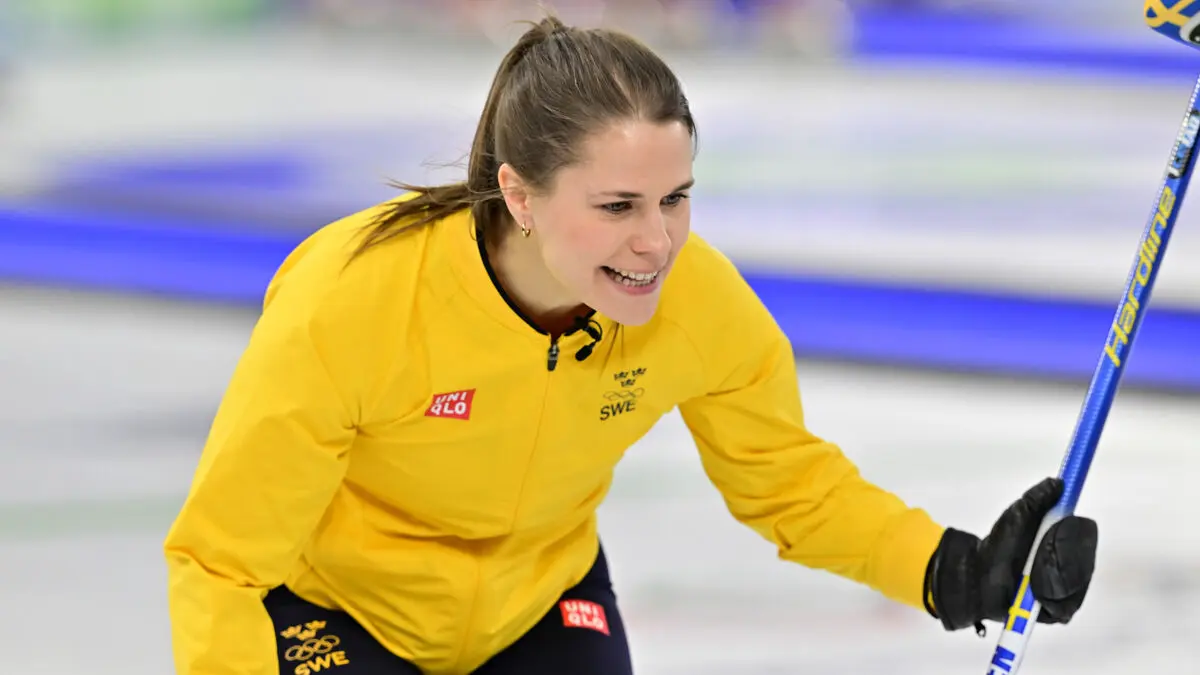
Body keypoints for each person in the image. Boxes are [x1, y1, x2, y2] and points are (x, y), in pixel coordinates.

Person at [163, 13, 1098, 675]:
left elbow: (790, 485)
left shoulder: (699, 304)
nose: (656, 242)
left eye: (676, 198)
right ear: (520, 196)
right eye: (616, 206)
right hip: (341, 614)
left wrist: (950, 570)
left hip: (538, 608)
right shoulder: (354, 302)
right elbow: (220, 560)